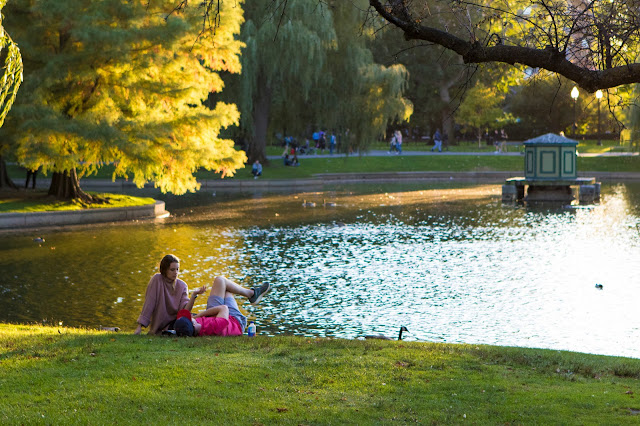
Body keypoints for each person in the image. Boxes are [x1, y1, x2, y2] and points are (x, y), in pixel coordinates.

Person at [174, 277, 272, 337]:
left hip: (214, 316)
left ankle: (252, 294)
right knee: (226, 288)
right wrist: (198, 316)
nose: (192, 318)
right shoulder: (215, 327)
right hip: (234, 321)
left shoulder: (192, 328)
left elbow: (184, 320)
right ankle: (252, 294)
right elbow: (224, 308)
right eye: (191, 319)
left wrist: (194, 296)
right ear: (194, 324)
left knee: (223, 283)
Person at [134, 254, 196, 335]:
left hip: (176, 323)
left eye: (177, 269)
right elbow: (149, 304)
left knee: (195, 320)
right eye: (172, 270)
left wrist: (194, 296)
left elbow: (184, 311)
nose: (176, 272)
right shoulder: (157, 280)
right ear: (165, 270)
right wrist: (139, 327)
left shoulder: (182, 285)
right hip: (162, 326)